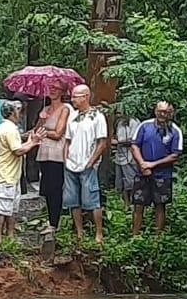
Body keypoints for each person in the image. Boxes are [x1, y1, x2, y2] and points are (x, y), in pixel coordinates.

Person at [64, 84, 109, 244]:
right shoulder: (73, 117)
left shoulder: (97, 116)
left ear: (86, 96)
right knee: (72, 200)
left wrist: (91, 161)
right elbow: (67, 141)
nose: (73, 99)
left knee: (92, 199)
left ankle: (98, 233)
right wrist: (65, 158)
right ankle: (79, 232)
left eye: (76, 96)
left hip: (88, 164)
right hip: (71, 164)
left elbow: (102, 142)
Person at [131, 101, 183, 235]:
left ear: (170, 113)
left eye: (165, 112)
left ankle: (157, 237)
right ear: (155, 111)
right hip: (142, 171)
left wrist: (153, 165)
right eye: (160, 111)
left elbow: (175, 154)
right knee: (138, 204)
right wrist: (142, 163)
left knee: (160, 205)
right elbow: (135, 145)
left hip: (162, 174)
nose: (162, 114)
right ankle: (135, 235)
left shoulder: (175, 130)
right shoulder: (144, 126)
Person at [0, 101, 37, 240]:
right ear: (12, 112)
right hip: (7, 173)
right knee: (2, 206)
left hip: (11, 173)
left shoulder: (6, 127)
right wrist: (33, 142)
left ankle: (10, 234)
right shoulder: (10, 129)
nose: (20, 112)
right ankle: (0, 237)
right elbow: (18, 150)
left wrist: (29, 140)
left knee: (11, 206)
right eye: (17, 109)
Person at [34, 86, 70, 236]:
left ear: (62, 91)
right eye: (51, 88)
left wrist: (44, 131)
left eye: (56, 88)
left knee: (56, 189)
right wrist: (42, 119)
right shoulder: (45, 108)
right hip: (44, 153)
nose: (52, 90)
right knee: (47, 189)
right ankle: (50, 220)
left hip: (57, 153)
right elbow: (36, 130)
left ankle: (55, 222)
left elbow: (58, 133)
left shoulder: (65, 109)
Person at [113, 112, 141, 206]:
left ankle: (134, 203)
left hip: (130, 156)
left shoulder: (134, 122)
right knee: (121, 182)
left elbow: (134, 141)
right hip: (120, 156)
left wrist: (118, 143)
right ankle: (126, 204)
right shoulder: (119, 122)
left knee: (131, 182)